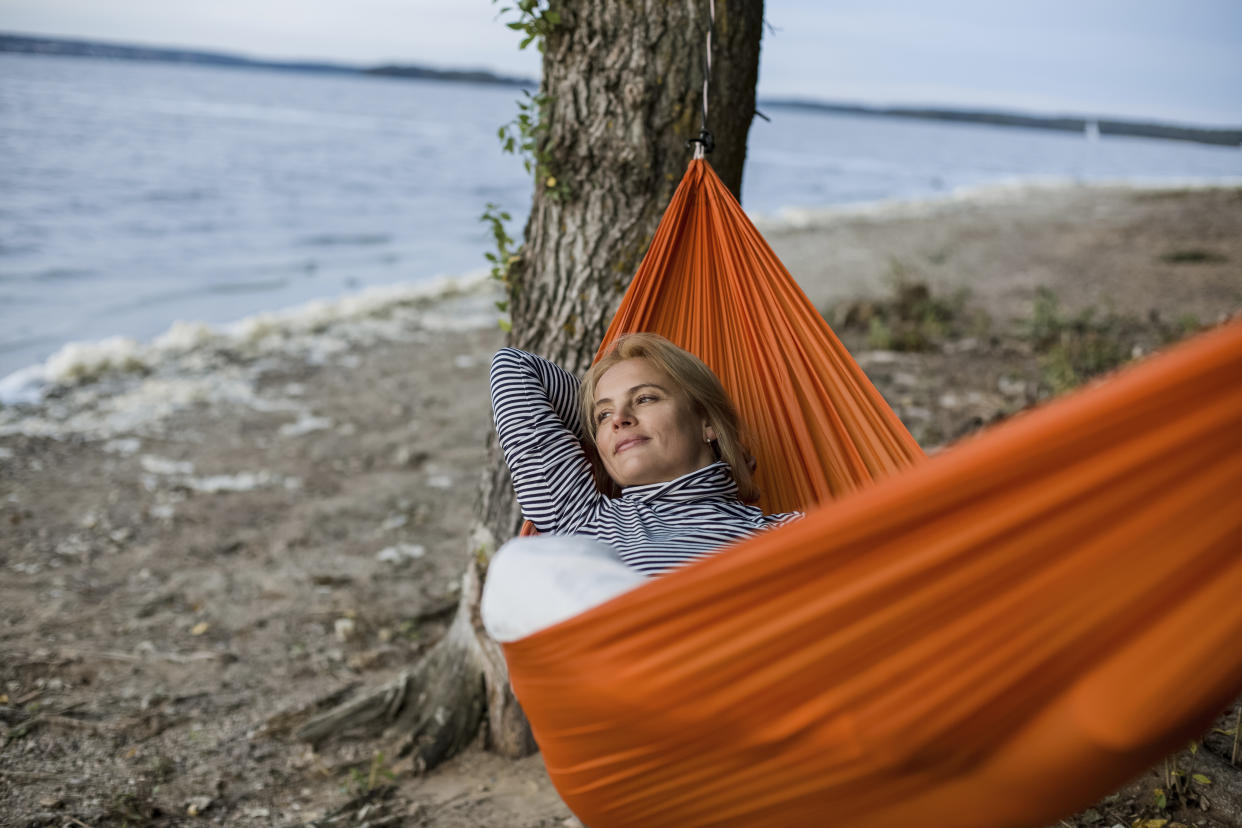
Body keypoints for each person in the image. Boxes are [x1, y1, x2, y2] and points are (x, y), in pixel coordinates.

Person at [481, 333, 801, 642]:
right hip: (615, 672)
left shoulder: (785, 535)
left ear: (709, 423)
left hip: (712, 674)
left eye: (645, 398)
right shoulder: (578, 515)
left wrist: (609, 427)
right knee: (515, 563)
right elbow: (514, 368)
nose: (619, 418)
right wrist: (607, 434)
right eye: (603, 415)